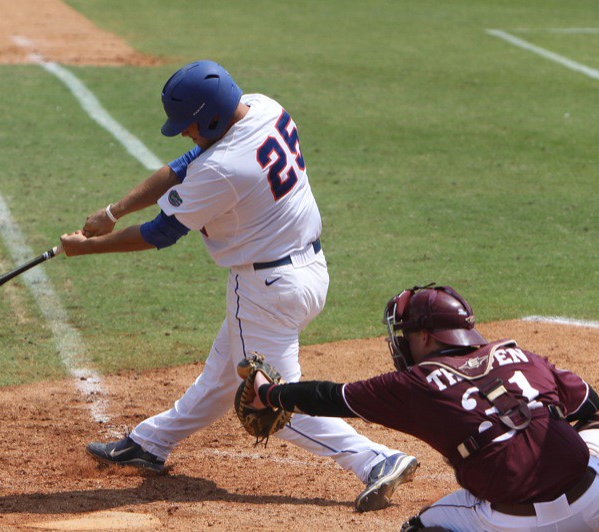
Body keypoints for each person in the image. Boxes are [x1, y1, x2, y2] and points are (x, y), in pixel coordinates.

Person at [59, 60, 418, 511]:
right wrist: (112, 213)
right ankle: (151, 443)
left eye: (188, 125)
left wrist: (85, 249)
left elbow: (161, 233)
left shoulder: (224, 169)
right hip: (306, 271)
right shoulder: (264, 107)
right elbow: (182, 166)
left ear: (209, 116)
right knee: (223, 372)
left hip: (265, 289)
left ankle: (376, 459)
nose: (186, 134)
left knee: (270, 404)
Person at [246, 283, 599, 531]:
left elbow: (330, 397)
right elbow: (589, 402)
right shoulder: (514, 352)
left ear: (425, 337)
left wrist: (270, 393)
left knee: (421, 528)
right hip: (594, 501)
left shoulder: (414, 384)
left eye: (406, 333)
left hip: (514, 525)